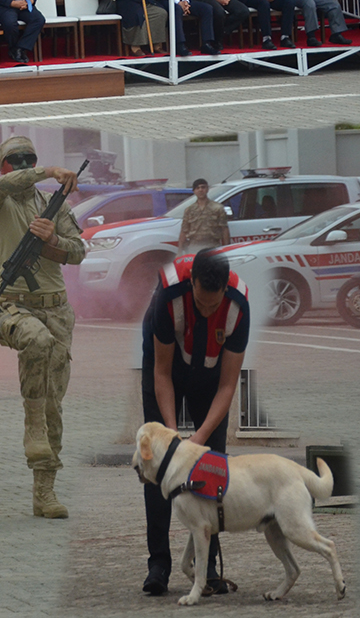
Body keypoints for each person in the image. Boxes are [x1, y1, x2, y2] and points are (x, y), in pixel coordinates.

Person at [0, 136, 82, 521]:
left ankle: (44, 489)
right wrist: (49, 171)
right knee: (35, 342)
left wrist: (51, 241)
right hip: (11, 306)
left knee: (54, 400)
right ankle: (31, 425)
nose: (21, 165)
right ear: (2, 166)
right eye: (14, 160)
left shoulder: (54, 207)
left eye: (29, 159)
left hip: (56, 308)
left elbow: (77, 252)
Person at [139, 249, 249, 597]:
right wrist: (172, 439)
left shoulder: (237, 306)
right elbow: (161, 372)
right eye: (201, 304)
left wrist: (198, 440)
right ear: (191, 284)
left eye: (212, 305)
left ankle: (209, 566)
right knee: (157, 464)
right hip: (166, 366)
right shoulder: (168, 294)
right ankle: (158, 565)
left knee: (212, 467)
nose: (207, 310)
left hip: (211, 375)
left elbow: (229, 385)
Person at [177, 179, 230, 255]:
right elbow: (184, 231)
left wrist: (227, 249)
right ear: (194, 191)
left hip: (213, 246)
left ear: (207, 189)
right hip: (194, 247)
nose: (200, 190)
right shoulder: (189, 210)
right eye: (197, 188)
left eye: (203, 187)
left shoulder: (217, 208)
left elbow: (225, 229)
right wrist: (179, 251)